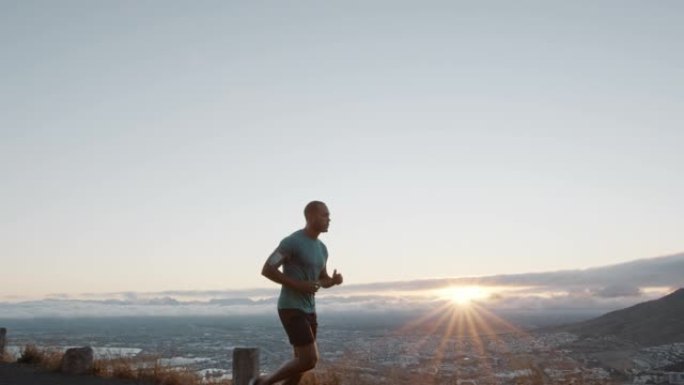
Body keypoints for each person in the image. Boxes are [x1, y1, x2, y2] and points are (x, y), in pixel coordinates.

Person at [250, 201, 343, 385]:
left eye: (328, 215)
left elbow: (321, 280)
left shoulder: (322, 248)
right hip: (290, 307)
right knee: (309, 360)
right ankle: (263, 382)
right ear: (311, 217)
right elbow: (267, 269)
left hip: (309, 309)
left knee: (301, 365)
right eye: (325, 215)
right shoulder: (292, 242)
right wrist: (298, 285)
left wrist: (332, 281)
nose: (329, 219)